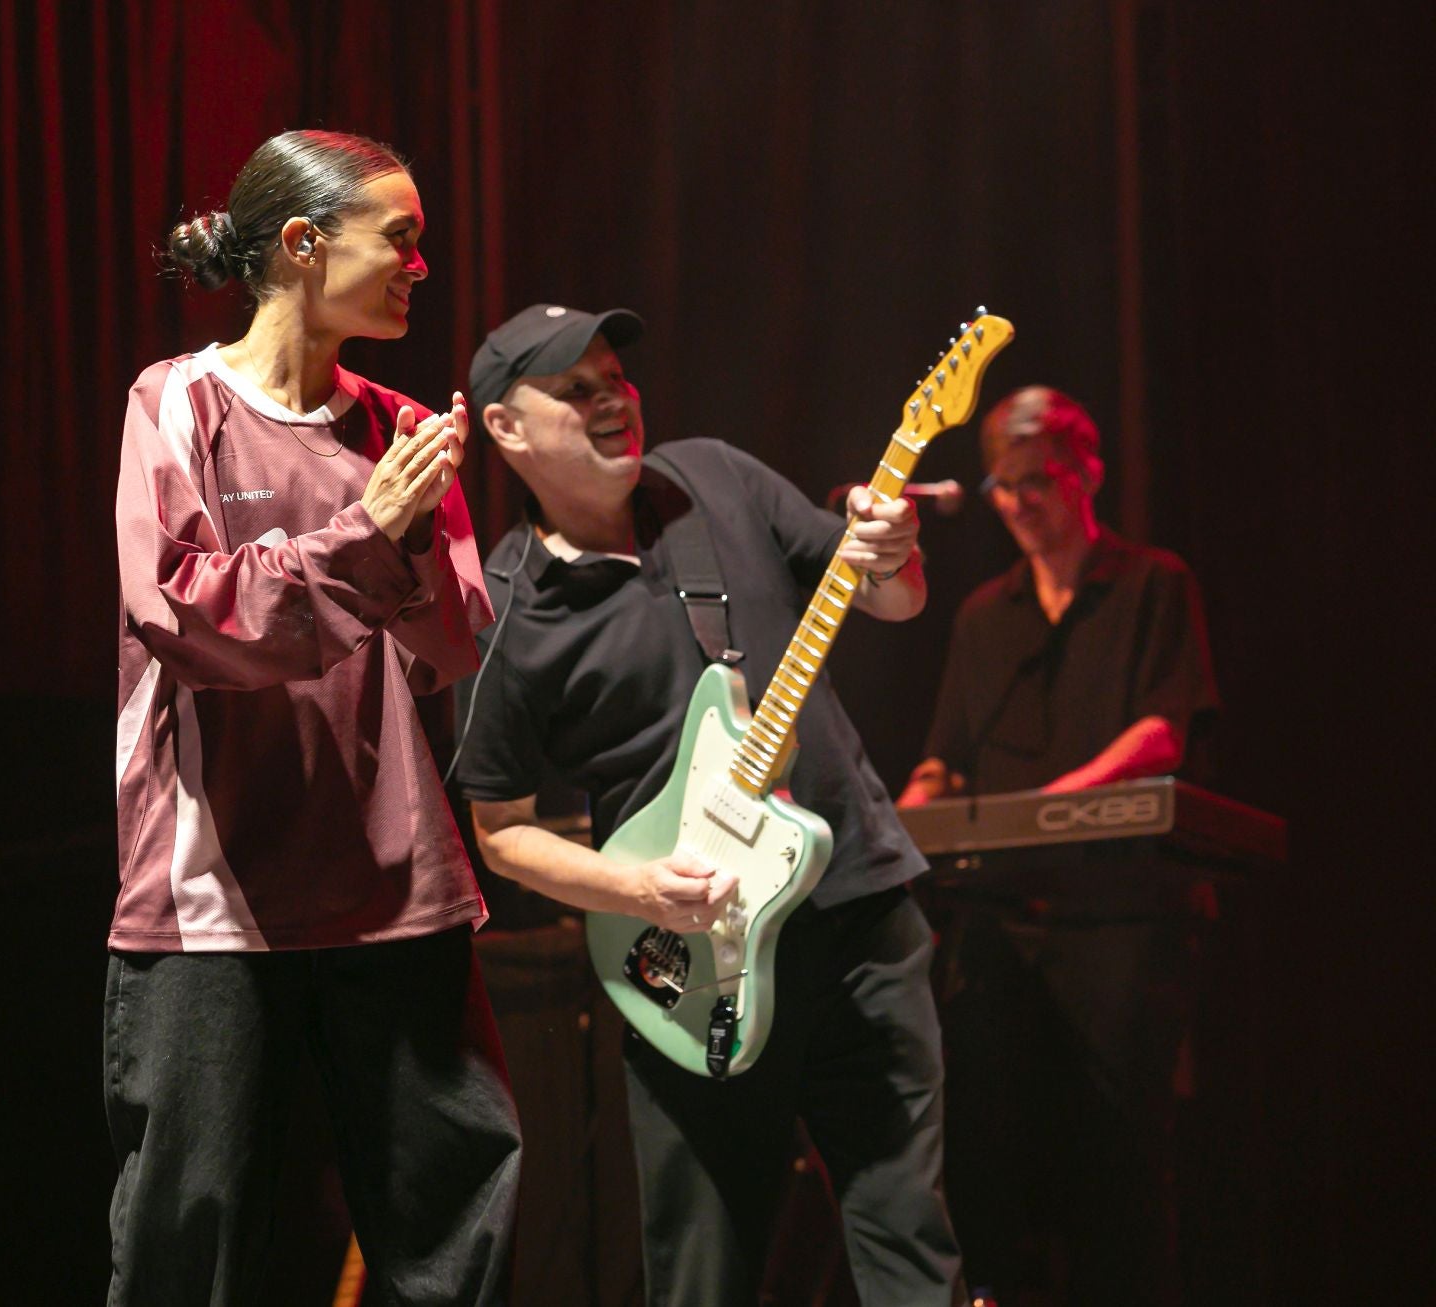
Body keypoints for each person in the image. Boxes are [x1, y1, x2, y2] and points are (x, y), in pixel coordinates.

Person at [452, 303, 965, 1306]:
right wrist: (636, 884)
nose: (614, 401)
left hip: (858, 908)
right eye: (578, 389)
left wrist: (895, 549)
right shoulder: (504, 610)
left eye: (618, 378)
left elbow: (891, 599)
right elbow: (501, 833)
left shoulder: (713, 477)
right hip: (693, 961)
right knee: (703, 1267)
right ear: (507, 429)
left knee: (912, 1238)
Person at [104, 130, 520, 1307]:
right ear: (301, 244)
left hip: (396, 890)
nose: (419, 267)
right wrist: (362, 537)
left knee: (456, 1224)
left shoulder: (396, 427)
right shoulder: (176, 401)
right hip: (214, 903)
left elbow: (446, 652)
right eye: (401, 238)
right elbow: (184, 616)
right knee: (195, 1247)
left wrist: (421, 533)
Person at [897, 386, 1220, 1305]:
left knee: (1116, 1154)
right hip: (1004, 921)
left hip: (1122, 917)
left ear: (1088, 474)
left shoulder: (1155, 584)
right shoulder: (980, 616)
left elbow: (1162, 731)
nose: (1018, 502)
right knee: (992, 1145)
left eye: (1037, 480)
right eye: (1002, 485)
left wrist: (1043, 807)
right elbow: (945, 760)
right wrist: (907, 811)